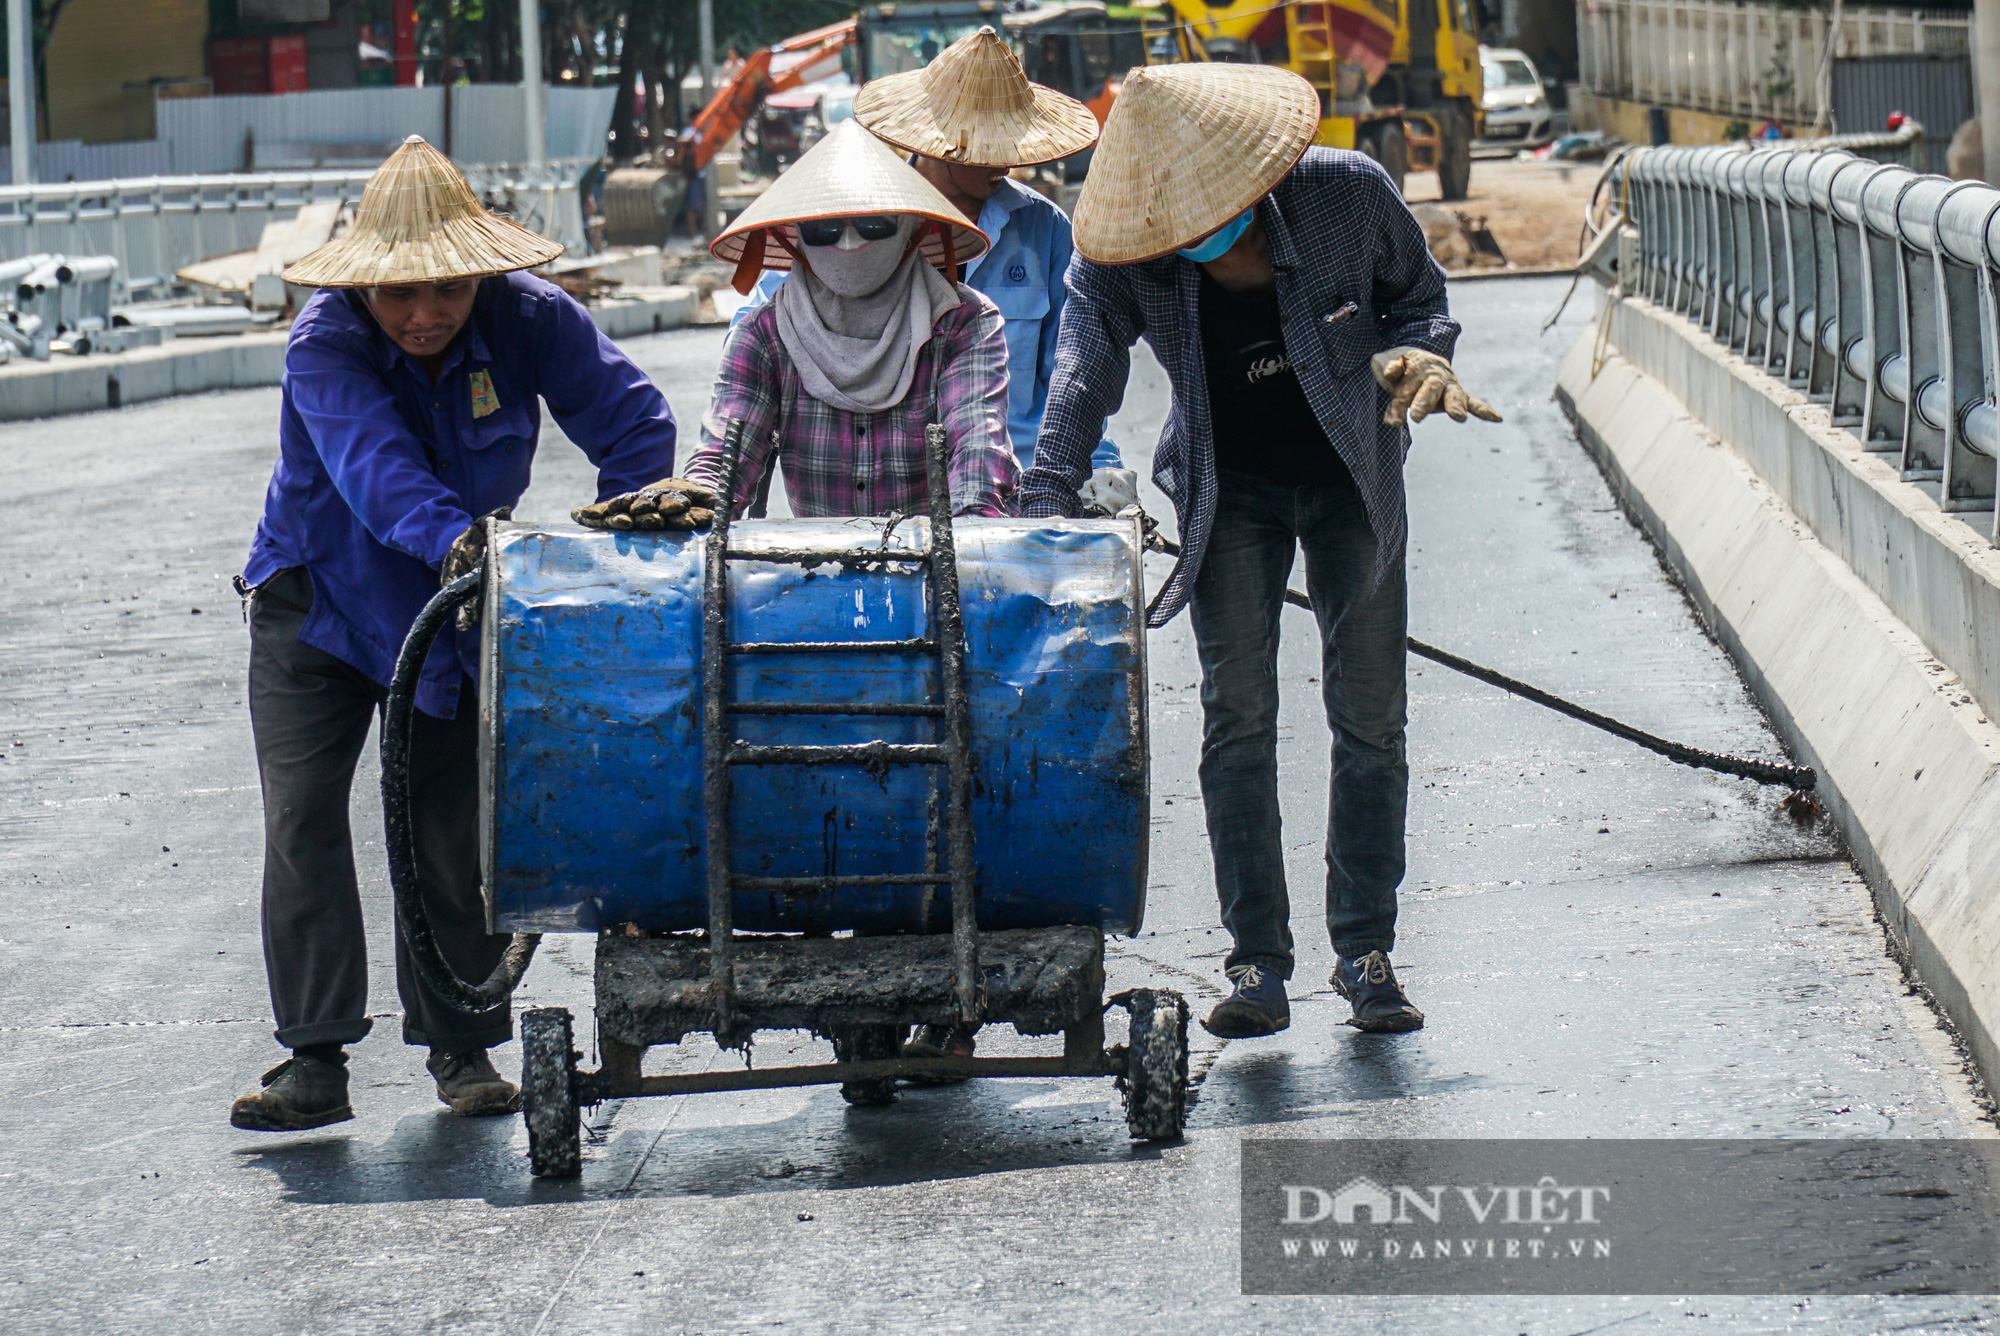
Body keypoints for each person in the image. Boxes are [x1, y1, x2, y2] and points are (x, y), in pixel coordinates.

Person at [1021, 65, 1500, 1040]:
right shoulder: (1123, 253)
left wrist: (1421, 352)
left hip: (1350, 479)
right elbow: (1080, 372)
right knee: (1235, 716)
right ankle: (1255, 961)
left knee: (1368, 715)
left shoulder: (1346, 195)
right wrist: (1044, 494)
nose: (1199, 230)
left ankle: (1364, 952)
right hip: (1225, 490)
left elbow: (1417, 300)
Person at [229, 136, 685, 1132]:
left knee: (449, 826)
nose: (425, 315)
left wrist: (627, 539)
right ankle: (313, 1057)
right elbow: (374, 469)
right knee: (303, 818)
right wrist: (456, 541)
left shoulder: (530, 317)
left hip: (455, 610)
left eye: (447, 292)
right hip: (321, 603)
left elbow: (635, 424)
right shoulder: (323, 344)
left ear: (481, 275)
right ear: (365, 290)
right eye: (401, 298)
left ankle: (462, 1043)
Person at [577, 118, 1017, 534]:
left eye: (872, 224)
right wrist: (692, 501)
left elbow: (978, 447)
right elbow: (728, 449)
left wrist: (974, 535)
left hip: (938, 564)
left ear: (911, 228)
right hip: (819, 571)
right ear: (796, 238)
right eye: (825, 229)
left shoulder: (963, 324)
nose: (849, 243)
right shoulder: (765, 334)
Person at [734, 27, 1120, 475]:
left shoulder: (1044, 229)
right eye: (984, 148)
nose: (1003, 162)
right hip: (890, 481)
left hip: (1021, 479)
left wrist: (1101, 471)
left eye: (1009, 145)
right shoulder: (858, 218)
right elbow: (756, 330)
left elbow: (1072, 380)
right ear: (936, 139)